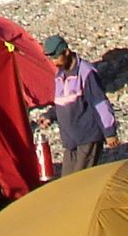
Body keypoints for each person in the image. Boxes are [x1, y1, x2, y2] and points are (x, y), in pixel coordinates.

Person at [42, 35, 116, 171]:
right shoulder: (60, 75)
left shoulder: (86, 73)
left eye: (56, 57)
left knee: (81, 180)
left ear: (66, 52)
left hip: (88, 137)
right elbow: (61, 102)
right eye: (51, 58)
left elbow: (100, 103)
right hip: (70, 141)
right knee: (66, 183)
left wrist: (109, 132)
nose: (54, 62)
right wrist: (50, 115)